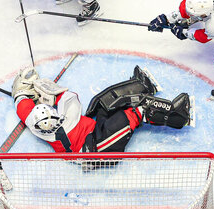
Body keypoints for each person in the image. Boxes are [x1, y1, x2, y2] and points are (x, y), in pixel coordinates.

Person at [11, 66, 192, 153]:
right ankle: (177, 117)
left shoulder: (35, 121)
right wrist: (51, 92)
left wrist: (27, 92)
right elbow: (69, 97)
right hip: (96, 149)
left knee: (102, 102)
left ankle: (141, 87)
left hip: (93, 129)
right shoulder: (65, 125)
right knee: (135, 114)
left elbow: (21, 100)